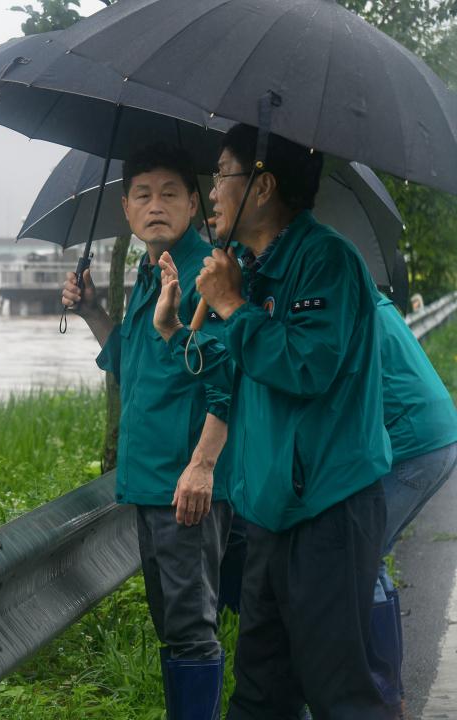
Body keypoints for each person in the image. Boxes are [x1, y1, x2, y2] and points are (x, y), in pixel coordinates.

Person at [153, 124, 396, 719]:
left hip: (327, 509)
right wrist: (177, 326)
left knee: (338, 690)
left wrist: (234, 305)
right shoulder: (251, 268)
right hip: (268, 510)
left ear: (260, 186)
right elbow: (237, 369)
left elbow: (306, 365)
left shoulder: (325, 260)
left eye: (221, 175)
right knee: (261, 693)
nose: (211, 193)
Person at [61, 142, 231, 719]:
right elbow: (132, 361)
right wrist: (90, 310)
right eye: (141, 195)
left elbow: (227, 376)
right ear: (127, 213)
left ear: (193, 205)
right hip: (149, 484)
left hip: (185, 487)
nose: (154, 205)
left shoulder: (206, 274)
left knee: (190, 627)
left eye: (168, 193)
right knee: (174, 626)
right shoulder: (150, 270)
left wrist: (202, 466)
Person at [365, 285, 457, 709]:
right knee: (371, 556)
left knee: (359, 562)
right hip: (435, 435)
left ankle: (383, 697)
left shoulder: (344, 298)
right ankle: (389, 696)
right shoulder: (367, 292)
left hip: (413, 443)